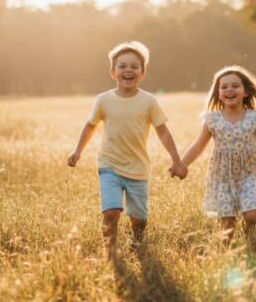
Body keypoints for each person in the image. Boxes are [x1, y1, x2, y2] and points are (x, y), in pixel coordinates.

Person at [67, 41, 187, 257]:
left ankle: (137, 241)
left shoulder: (149, 101)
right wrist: (78, 151)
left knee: (139, 220)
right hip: (108, 166)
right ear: (113, 72)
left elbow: (163, 131)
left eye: (134, 66)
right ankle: (110, 255)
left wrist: (176, 160)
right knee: (111, 212)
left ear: (142, 73)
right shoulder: (103, 100)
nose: (128, 70)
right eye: (122, 66)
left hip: (138, 169)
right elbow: (90, 125)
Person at [180, 65, 256, 249]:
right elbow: (199, 145)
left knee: (252, 215)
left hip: (250, 173)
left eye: (235, 86)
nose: (229, 90)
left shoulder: (255, 117)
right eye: (224, 87)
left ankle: (249, 229)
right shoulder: (212, 119)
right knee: (227, 225)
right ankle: (227, 254)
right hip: (222, 176)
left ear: (245, 91)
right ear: (218, 93)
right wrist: (182, 164)